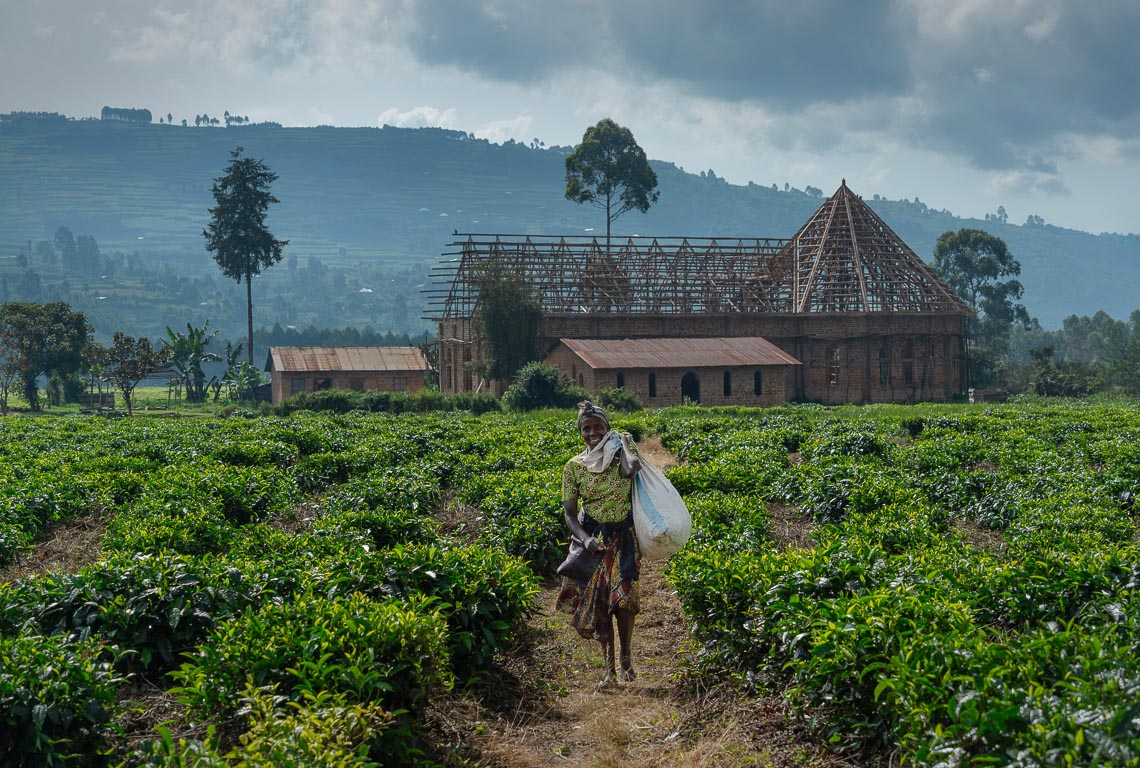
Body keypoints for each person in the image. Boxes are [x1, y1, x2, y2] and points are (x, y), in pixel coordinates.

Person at [556, 401, 642, 686]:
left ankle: (626, 656)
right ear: (580, 432)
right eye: (586, 428)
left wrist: (626, 443)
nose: (592, 432)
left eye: (598, 427)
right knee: (601, 603)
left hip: (622, 537)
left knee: (625, 599)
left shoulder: (621, 456)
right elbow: (569, 513)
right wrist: (585, 539)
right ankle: (609, 669)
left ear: (608, 428)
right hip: (594, 541)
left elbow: (633, 469)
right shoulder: (574, 467)